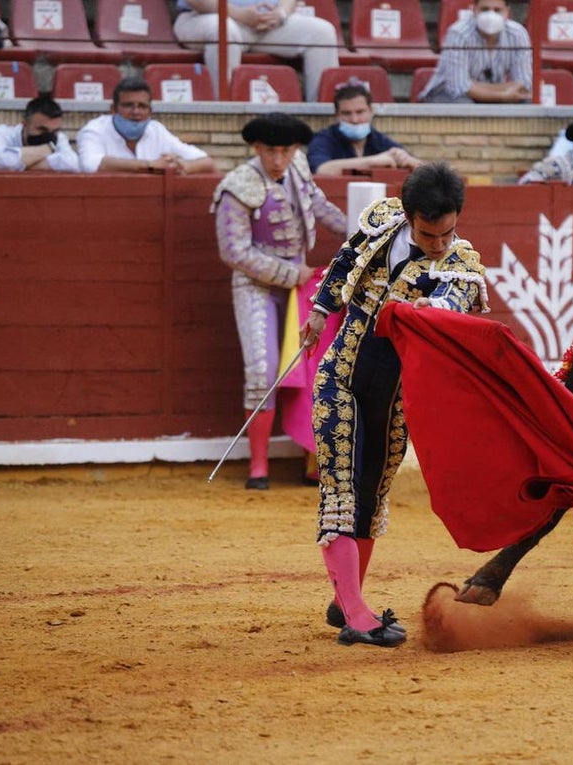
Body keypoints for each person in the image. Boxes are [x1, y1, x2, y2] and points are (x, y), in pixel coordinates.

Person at [302, 162, 488, 647]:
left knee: (370, 496)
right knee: (341, 490)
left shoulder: (463, 263)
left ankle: (347, 598)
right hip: (340, 378)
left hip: (395, 403)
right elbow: (344, 262)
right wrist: (320, 312)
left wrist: (431, 310)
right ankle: (356, 613)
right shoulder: (382, 220)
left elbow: (455, 302)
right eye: (429, 234)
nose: (439, 244)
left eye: (448, 233)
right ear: (408, 217)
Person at [212, 113, 347, 490]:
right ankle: (258, 466)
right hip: (257, 287)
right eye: (271, 151)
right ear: (256, 149)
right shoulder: (237, 185)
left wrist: (359, 231)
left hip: (299, 285)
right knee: (262, 369)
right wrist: (292, 274)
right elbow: (234, 251)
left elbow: (320, 207)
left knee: (315, 365)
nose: (279, 159)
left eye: (286, 151)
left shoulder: (299, 168)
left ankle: (311, 459)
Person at [172, 0, 339, 101]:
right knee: (225, 31)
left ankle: (323, 119)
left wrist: (280, 14)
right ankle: (225, 114)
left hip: (265, 24)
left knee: (322, 32)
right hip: (204, 18)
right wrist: (238, 14)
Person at [75, 77, 217, 175]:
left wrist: (181, 166)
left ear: (150, 111)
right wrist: (150, 165)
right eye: (128, 105)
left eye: (142, 106)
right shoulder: (94, 130)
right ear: (113, 109)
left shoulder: (156, 130)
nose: (135, 112)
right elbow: (90, 165)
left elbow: (207, 162)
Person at [418, 0, 532, 104]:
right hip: (447, 94)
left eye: (497, 10)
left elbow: (523, 83)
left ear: (507, 12)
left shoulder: (518, 34)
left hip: (492, 95)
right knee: (464, 106)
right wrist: (503, 94)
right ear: (474, 10)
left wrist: (480, 88)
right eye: (484, 9)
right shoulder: (459, 33)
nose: (490, 15)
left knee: (527, 103)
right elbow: (459, 87)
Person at [307, 82, 422, 176]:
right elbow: (321, 170)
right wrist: (375, 161)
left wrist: (409, 161)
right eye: (346, 113)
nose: (354, 119)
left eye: (360, 112)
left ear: (371, 111)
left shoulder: (378, 139)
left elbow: (426, 172)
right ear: (337, 116)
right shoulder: (324, 139)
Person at [0, 96, 79, 173]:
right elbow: (3, 161)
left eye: (54, 131)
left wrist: (20, 164)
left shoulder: (59, 137)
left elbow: (73, 164)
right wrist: (48, 148)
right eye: (41, 129)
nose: (49, 135)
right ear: (24, 123)